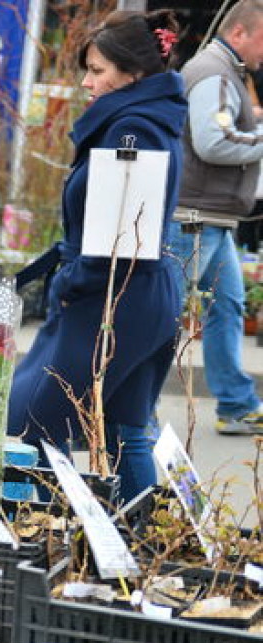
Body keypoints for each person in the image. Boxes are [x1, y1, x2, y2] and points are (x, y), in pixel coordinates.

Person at [9, 10, 187, 503]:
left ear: (134, 74)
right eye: (87, 69)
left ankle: (36, 545)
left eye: (99, 70)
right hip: (136, 292)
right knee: (129, 425)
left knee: (35, 421)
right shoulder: (149, 118)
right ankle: (142, 539)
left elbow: (123, 231)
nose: (88, 82)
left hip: (114, 296)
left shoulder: (132, 128)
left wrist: (74, 282)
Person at [165, 0, 263, 435]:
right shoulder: (215, 72)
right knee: (162, 315)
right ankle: (126, 409)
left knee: (226, 308)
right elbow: (213, 143)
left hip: (211, 217)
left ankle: (237, 405)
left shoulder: (223, 70)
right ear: (240, 33)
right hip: (194, 218)